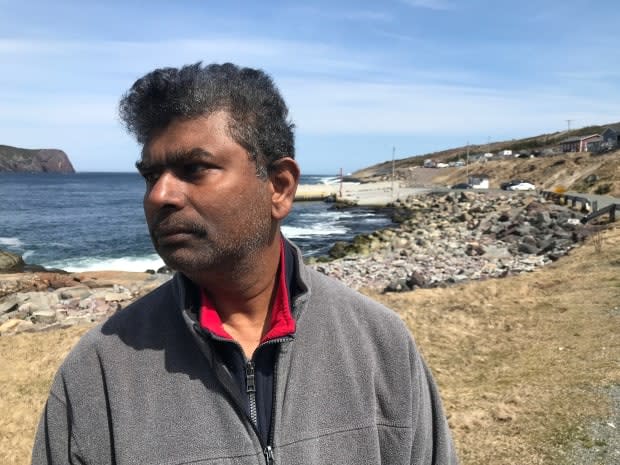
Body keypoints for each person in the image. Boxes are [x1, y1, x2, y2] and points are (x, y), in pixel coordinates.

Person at [32, 62, 458, 465]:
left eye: (194, 168)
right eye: (150, 176)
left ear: (279, 187)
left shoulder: (378, 344)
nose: (159, 196)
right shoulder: (98, 372)